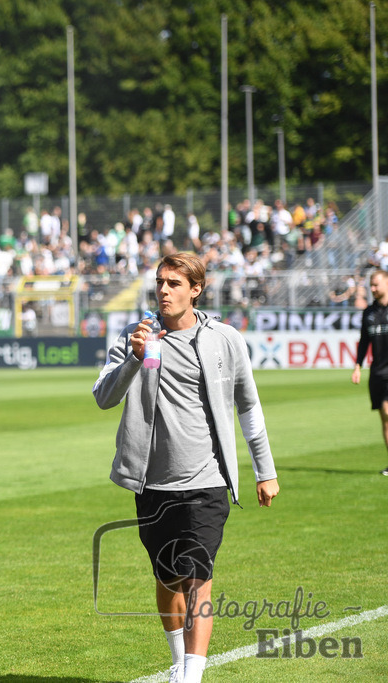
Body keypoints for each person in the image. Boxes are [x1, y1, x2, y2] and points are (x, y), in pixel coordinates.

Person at [92, 252, 279, 683]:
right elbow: (103, 397)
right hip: (151, 482)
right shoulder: (135, 335)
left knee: (198, 576)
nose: (163, 290)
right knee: (168, 578)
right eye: (160, 282)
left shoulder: (225, 339)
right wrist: (134, 358)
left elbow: (248, 406)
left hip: (207, 482)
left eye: (174, 283)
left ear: (196, 290)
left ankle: (191, 674)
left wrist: (264, 470)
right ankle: (178, 660)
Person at [351, 269, 388, 475]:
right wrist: (358, 365)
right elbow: (364, 342)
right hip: (378, 373)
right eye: (371, 285)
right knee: (385, 417)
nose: (372, 289)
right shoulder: (369, 312)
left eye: (376, 285)